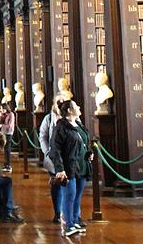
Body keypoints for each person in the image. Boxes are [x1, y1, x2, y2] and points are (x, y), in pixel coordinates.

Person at [49, 99, 92, 237]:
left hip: (82, 165)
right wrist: (59, 169)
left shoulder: (78, 124)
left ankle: (75, 219)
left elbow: (84, 142)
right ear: (69, 110)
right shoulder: (61, 127)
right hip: (69, 166)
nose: (79, 106)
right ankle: (69, 224)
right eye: (76, 105)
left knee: (77, 195)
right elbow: (55, 150)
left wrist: (89, 153)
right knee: (69, 195)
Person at [38, 94, 66, 223]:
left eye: (63, 101)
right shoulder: (49, 118)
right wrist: (47, 151)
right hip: (54, 157)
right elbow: (42, 135)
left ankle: (71, 214)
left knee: (71, 186)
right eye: (58, 101)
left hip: (69, 156)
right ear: (54, 104)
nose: (61, 104)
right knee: (57, 185)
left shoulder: (73, 117)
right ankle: (58, 212)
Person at [0, 102, 16, 172]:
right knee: (5, 149)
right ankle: (6, 165)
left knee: (7, 149)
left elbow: (10, 125)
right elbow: (0, 122)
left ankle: (9, 165)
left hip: (9, 133)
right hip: (3, 133)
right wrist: (1, 115)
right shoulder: (3, 115)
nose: (1, 110)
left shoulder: (11, 114)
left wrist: (2, 126)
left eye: (2, 108)